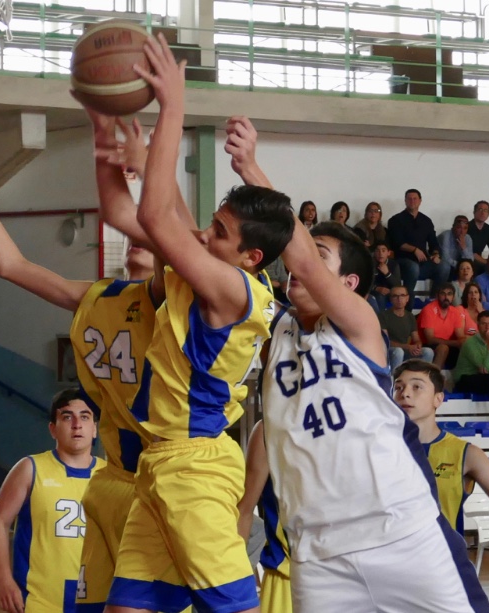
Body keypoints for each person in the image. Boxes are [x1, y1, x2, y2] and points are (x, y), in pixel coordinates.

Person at [0, 111, 165, 612]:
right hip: (121, 478)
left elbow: (168, 229)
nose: (138, 241)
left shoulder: (179, 300)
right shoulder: (99, 297)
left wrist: (147, 171)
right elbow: (11, 265)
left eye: (149, 235)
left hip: (171, 476)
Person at [107, 42, 296, 613]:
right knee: (127, 608)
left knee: (234, 607)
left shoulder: (230, 289)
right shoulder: (222, 267)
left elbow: (152, 216)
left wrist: (172, 107)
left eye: (218, 231)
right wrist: (122, 158)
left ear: (251, 259)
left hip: (194, 468)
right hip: (161, 461)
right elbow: (139, 216)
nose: (206, 236)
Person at [264, 213, 489, 611]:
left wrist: (251, 168)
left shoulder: (360, 323)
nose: (298, 260)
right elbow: (268, 431)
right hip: (318, 552)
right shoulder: (276, 326)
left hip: (399, 531)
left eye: (317, 255)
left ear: (348, 284)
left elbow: (296, 251)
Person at [0, 390, 103, 613]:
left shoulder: (110, 475)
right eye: (67, 417)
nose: (77, 425)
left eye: (85, 417)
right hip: (39, 599)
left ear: (95, 428)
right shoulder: (30, 469)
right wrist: (3, 578)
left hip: (97, 595)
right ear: (53, 428)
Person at [393, 359, 489, 539]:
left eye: (416, 387)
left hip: (443, 563)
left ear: (438, 399)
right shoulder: (378, 450)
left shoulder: (466, 454)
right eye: (398, 387)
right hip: (386, 563)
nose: (405, 393)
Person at [236, 422, 291, 613]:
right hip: (287, 578)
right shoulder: (269, 429)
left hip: (346, 573)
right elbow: (244, 512)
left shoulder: (361, 416)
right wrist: (238, 591)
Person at [387, 188, 450, 296]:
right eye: (409, 199)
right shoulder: (396, 220)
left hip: (423, 263)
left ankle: (434, 300)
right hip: (402, 262)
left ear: (420, 201)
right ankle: (407, 304)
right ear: (405, 201)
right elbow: (398, 243)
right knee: (413, 268)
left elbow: (433, 242)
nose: (412, 201)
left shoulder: (426, 221)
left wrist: (435, 254)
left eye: (415, 199)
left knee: (444, 267)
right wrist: (415, 250)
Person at [380, 286, 435, 371]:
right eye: (395, 296)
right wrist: (407, 347)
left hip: (405, 351)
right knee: (398, 352)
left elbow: (416, 339)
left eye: (402, 295)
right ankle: (394, 380)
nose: (399, 299)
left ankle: (419, 379)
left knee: (428, 352)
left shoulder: (410, 316)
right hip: (388, 352)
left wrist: (417, 346)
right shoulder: (383, 316)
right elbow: (385, 341)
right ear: (391, 299)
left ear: (407, 298)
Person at [418, 283, 469, 369]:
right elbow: (430, 339)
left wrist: (464, 341)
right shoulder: (429, 310)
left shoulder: (455, 312)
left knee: (467, 345)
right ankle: (434, 378)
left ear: (453, 297)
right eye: (443, 293)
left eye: (449, 294)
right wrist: (455, 343)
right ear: (437, 296)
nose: (446, 297)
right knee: (443, 348)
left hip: (447, 345)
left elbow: (460, 336)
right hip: (425, 346)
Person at [371, 240, 402, 310]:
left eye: (383, 251)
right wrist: (377, 288)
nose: (380, 254)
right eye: (377, 251)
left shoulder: (394, 264)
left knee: (405, 295)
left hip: (390, 292)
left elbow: (398, 285)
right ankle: (381, 320)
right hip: (375, 291)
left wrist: (387, 273)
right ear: (374, 253)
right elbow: (365, 283)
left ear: (388, 253)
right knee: (380, 297)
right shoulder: (370, 264)